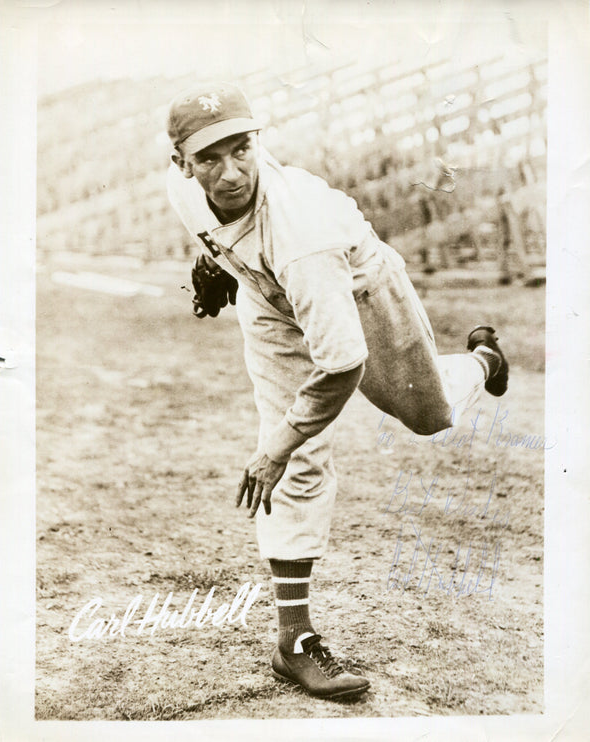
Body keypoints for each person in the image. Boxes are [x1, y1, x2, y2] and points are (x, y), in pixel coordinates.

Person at [166, 82, 508, 701]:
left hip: (357, 287)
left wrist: (277, 445)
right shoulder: (182, 191)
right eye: (208, 158)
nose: (229, 171)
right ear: (180, 164)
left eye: (240, 149)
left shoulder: (302, 232)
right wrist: (215, 264)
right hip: (270, 299)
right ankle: (294, 641)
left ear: (257, 143)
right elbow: (220, 228)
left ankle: (481, 361)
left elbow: (342, 362)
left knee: (429, 417)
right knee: (296, 457)